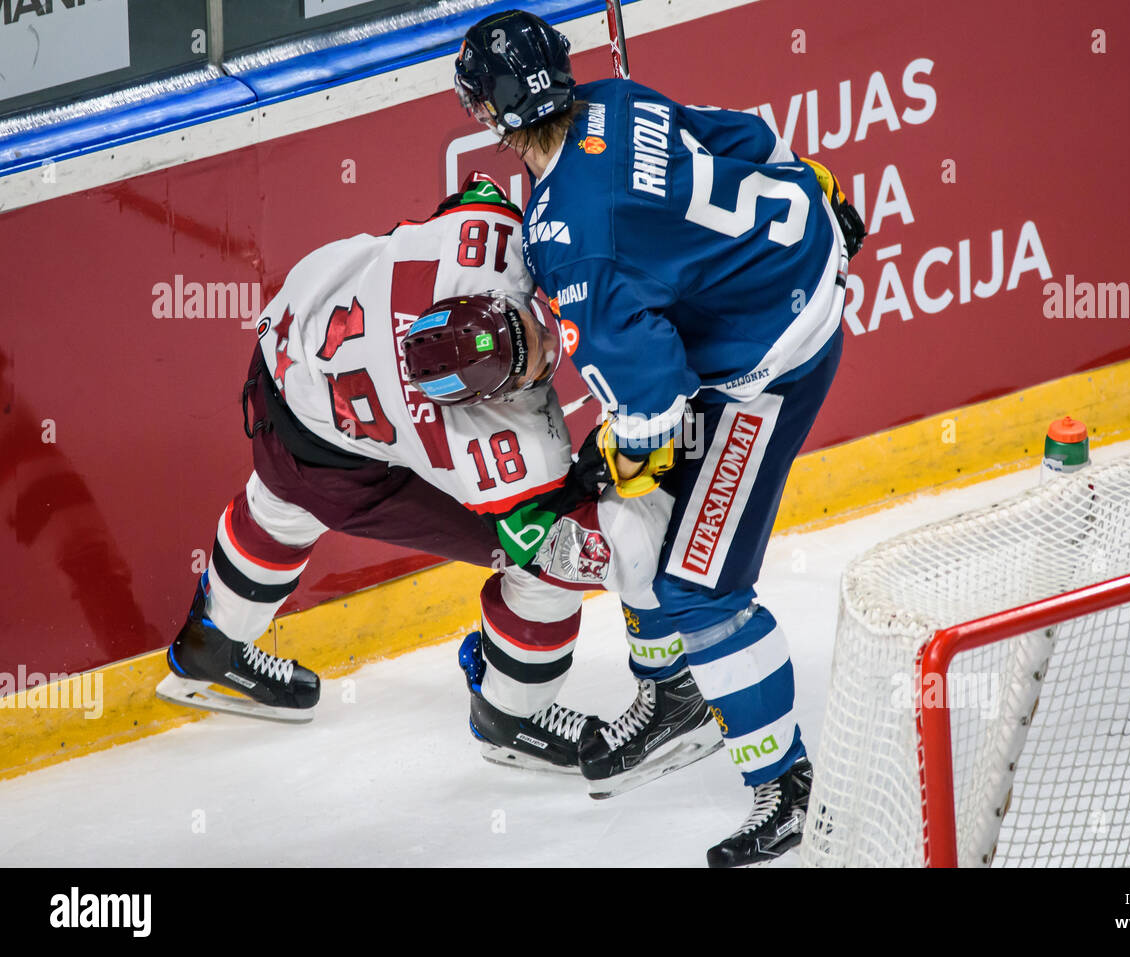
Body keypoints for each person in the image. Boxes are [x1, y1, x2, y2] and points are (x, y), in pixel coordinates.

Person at [454, 10, 866, 866]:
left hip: (772, 367)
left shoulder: (572, 245)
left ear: (489, 117)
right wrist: (820, 188)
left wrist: (627, 449)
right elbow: (752, 139)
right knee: (629, 504)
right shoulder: (614, 100)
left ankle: (787, 789)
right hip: (800, 244)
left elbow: (657, 404)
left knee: (697, 589)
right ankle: (676, 696)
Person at [157, 175, 720, 787]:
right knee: (537, 563)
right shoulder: (488, 444)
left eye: (524, 329)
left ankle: (211, 646)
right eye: (527, 364)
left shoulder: (476, 252)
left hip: (285, 357)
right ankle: (511, 716)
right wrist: (586, 490)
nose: (547, 345)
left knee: (283, 500)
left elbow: (475, 194)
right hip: (327, 447)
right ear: (487, 400)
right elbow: (549, 543)